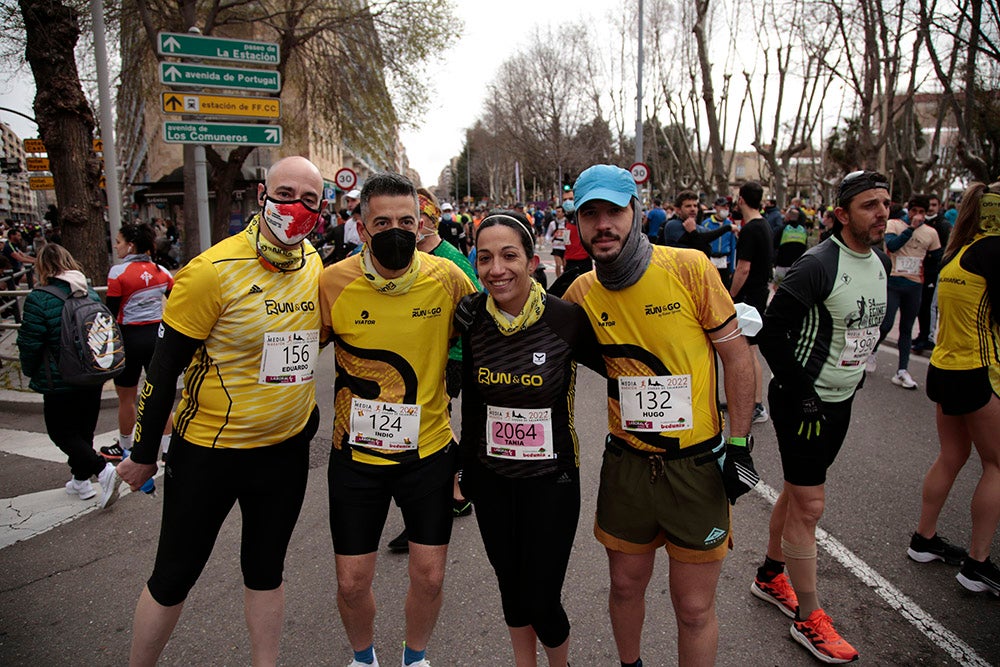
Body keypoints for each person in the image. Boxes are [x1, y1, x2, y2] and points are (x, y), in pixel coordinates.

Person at [115, 156, 326, 666]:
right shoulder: (210, 272)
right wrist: (143, 453)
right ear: (261, 197)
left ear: (321, 211)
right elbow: (162, 372)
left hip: (282, 453)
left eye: (309, 200)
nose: (294, 207)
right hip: (210, 453)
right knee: (174, 575)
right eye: (284, 194)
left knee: (266, 569)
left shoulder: (314, 264)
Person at [563, 165, 758, 667]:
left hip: (695, 469)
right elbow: (530, 338)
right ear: (578, 225)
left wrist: (739, 443)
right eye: (591, 214)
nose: (603, 224)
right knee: (625, 587)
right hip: (628, 465)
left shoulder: (689, 268)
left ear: (636, 212)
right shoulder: (582, 293)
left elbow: (737, 357)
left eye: (613, 211)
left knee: (693, 608)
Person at [318, 172, 477, 667]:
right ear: (362, 229)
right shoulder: (331, 282)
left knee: (428, 575)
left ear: (422, 222)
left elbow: (492, 330)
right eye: (382, 221)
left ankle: (415, 657)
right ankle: (363, 658)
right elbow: (296, 354)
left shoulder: (448, 277)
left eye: (406, 221)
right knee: (351, 581)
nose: (396, 230)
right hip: (355, 455)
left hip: (427, 453)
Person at [753, 170, 891, 663]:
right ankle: (808, 618)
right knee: (810, 506)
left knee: (796, 491)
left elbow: (873, 320)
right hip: (802, 402)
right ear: (841, 214)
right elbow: (771, 334)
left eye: (884, 203)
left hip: (841, 399)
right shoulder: (816, 264)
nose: (881, 213)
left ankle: (770, 574)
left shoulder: (881, 259)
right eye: (869, 205)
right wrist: (802, 391)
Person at [458, 212, 601, 666]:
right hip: (492, 479)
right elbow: (472, 402)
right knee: (511, 588)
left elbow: (624, 370)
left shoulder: (566, 320)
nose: (496, 269)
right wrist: (464, 470)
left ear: (533, 261)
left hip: (551, 481)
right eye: (484, 258)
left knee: (541, 596)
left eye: (508, 256)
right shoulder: (472, 318)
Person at [908, 181, 1000, 596]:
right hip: (980, 372)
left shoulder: (958, 254)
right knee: (997, 466)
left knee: (952, 455)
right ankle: (977, 565)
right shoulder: (994, 252)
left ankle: (924, 540)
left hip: (944, 368)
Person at [386, 188, 482, 554]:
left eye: (411, 221)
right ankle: (458, 493)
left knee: (431, 430)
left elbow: (475, 306)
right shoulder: (410, 256)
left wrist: (457, 357)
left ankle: (436, 506)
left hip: (450, 357)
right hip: (418, 358)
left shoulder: (450, 259)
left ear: (426, 223)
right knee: (434, 425)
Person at [16, 243, 122, 508]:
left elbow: (29, 342)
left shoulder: (39, 298)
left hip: (60, 377)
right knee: (83, 430)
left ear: (42, 266)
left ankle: (102, 470)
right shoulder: (88, 293)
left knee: (61, 432)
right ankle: (81, 481)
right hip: (93, 372)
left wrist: (31, 371)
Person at [100, 222, 174, 462]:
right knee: (160, 394)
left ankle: (125, 447)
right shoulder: (162, 271)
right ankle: (168, 448)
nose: (116, 246)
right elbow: (175, 304)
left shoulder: (116, 273)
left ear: (131, 246)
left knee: (127, 398)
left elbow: (110, 312)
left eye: (119, 242)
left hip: (128, 339)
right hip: (157, 339)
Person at [878, 194, 942, 390]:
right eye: (915, 211)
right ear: (909, 209)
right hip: (893, 283)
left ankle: (902, 371)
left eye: (922, 212)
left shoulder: (931, 232)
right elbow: (892, 246)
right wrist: (911, 230)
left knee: (906, 328)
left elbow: (937, 257)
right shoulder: (894, 225)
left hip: (914, 285)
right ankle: (870, 351)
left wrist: (929, 280)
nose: (918, 215)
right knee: (886, 324)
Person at [731, 182, 774, 424]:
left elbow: (743, 268)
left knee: (748, 351)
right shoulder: (763, 226)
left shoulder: (751, 229)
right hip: (759, 294)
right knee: (749, 350)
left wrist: (731, 295)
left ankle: (756, 404)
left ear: (742, 200)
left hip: (748, 298)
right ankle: (753, 401)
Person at [704, 197, 738, 288]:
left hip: (725, 261)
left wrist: (732, 269)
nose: (726, 208)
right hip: (710, 261)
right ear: (716, 207)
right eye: (723, 206)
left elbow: (733, 245)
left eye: (727, 206)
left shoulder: (730, 224)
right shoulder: (706, 223)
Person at [772, 207, 808, 284]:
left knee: (777, 287)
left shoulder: (782, 229)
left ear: (788, 217)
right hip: (797, 266)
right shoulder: (803, 231)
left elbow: (774, 245)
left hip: (782, 264)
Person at [545, 204, 570, 277]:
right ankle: (558, 279)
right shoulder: (552, 224)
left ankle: (565, 278)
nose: (557, 213)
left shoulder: (568, 223)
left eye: (559, 211)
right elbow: (548, 234)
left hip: (566, 247)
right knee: (558, 264)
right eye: (556, 211)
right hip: (556, 246)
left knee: (565, 265)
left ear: (563, 213)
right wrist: (549, 240)